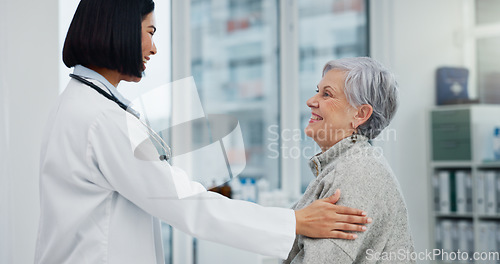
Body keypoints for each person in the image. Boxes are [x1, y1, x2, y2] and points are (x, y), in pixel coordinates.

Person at [34, 1, 372, 263]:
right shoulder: (101, 118)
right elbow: (184, 204)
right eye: (150, 32)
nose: (153, 49)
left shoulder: (78, 106)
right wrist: (293, 222)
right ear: (121, 30)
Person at [283, 57, 415, 264]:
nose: (311, 101)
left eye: (327, 94)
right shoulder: (345, 165)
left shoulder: (356, 173)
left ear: (360, 114)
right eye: (317, 91)